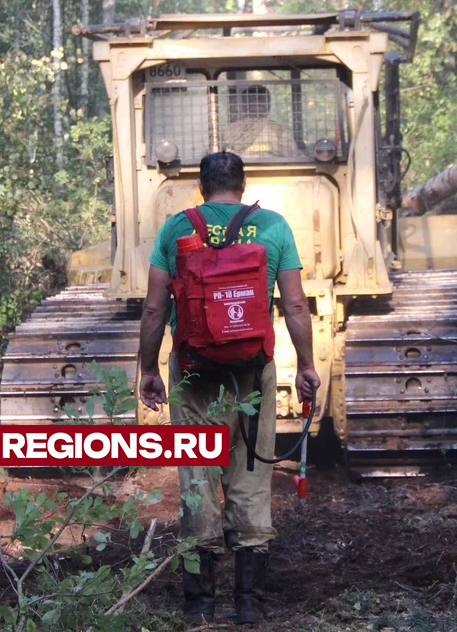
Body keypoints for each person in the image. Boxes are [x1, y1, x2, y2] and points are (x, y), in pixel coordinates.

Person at [138, 151, 320, 625]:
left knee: (196, 479)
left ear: (201, 187)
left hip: (194, 372)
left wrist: (149, 370)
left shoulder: (176, 228)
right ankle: (249, 606)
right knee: (251, 477)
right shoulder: (274, 226)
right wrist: (305, 364)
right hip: (250, 372)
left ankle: (199, 607)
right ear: (242, 185)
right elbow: (296, 306)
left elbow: (155, 310)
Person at [221, 84, 297, 156]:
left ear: (244, 107)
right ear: (268, 106)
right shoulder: (280, 131)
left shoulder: (230, 130)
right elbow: (292, 158)